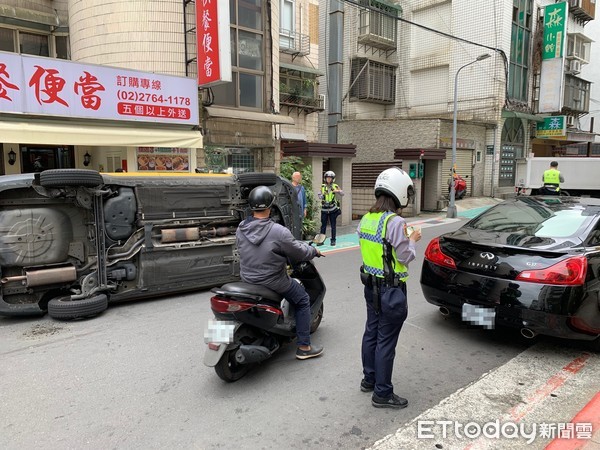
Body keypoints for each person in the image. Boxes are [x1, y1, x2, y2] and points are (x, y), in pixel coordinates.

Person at [357, 167, 422, 409]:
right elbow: (405, 257)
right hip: (392, 291)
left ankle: (369, 379)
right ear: (399, 193)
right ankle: (382, 394)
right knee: (386, 340)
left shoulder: (366, 219)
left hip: (370, 287)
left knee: (371, 333)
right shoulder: (396, 222)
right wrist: (413, 240)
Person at [236, 186, 324, 360]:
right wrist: (314, 252)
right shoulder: (278, 231)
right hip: (273, 281)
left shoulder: (241, 228)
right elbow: (299, 252)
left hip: (247, 279)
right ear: (271, 206)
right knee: (302, 299)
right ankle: (304, 347)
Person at [319, 171, 344, 246]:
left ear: (333, 179)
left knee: (333, 225)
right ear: (325, 178)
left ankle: (333, 240)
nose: (328, 179)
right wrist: (322, 195)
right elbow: (319, 195)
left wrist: (338, 191)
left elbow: (343, 193)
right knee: (323, 225)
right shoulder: (322, 186)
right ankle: (321, 240)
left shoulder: (335, 186)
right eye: (327, 178)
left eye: (330, 178)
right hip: (324, 209)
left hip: (333, 209)